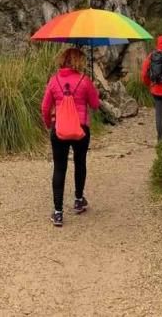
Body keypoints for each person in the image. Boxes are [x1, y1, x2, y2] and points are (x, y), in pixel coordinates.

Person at [41, 47, 100, 227]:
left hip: (59, 129)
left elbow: (45, 107)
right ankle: (78, 200)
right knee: (80, 163)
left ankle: (58, 213)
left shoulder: (54, 81)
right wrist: (92, 91)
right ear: (79, 62)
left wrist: (49, 124)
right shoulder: (85, 80)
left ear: (63, 60)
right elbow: (95, 105)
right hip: (81, 129)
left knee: (60, 168)